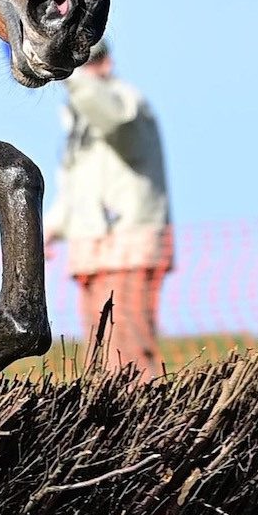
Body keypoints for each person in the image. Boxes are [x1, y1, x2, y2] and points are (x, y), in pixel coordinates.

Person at [44, 42, 173, 380]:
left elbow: (114, 121)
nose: (82, 71)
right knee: (100, 354)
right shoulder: (79, 120)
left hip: (128, 245)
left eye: (87, 61)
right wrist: (50, 228)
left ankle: (149, 420)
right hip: (93, 250)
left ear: (107, 62)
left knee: (128, 348)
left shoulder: (127, 103)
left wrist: (68, 73)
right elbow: (77, 183)